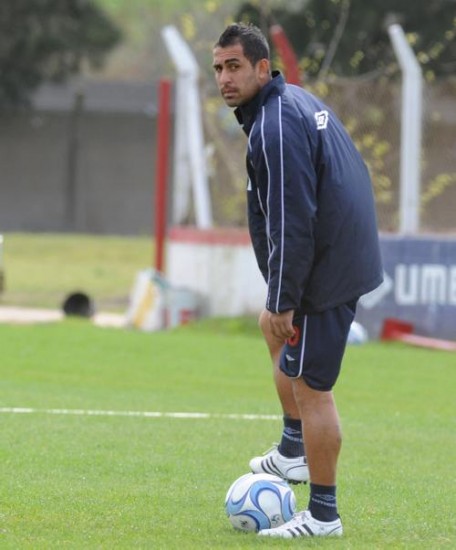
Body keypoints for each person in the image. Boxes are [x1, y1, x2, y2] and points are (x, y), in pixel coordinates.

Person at [213, 23, 383, 538]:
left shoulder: (274, 125)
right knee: (272, 326)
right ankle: (293, 451)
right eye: (219, 68)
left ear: (263, 68)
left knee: (312, 388)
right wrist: (280, 303)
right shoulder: (291, 104)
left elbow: (292, 219)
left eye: (235, 66)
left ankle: (323, 515)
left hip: (326, 271)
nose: (224, 78)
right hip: (337, 258)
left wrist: (288, 298)